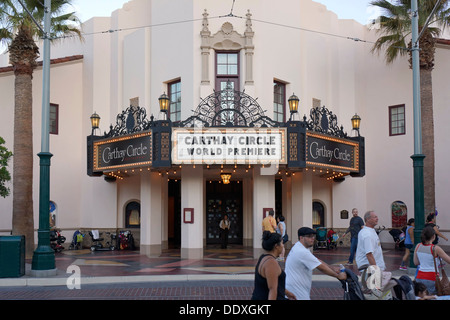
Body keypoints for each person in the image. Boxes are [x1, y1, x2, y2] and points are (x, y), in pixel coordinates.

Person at [285, 227, 346, 300]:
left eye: (313, 236)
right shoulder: (301, 251)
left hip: (294, 290)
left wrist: (332, 268)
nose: (312, 238)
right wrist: (338, 276)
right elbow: (321, 267)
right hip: (296, 293)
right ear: (301, 238)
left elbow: (317, 260)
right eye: (309, 236)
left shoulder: (299, 247)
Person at [251, 231, 296, 300]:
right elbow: (272, 290)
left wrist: (287, 293)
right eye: (281, 243)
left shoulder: (264, 257)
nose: (283, 245)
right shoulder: (271, 263)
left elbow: (273, 283)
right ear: (276, 246)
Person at [414, 226, 450, 295]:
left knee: (422, 297)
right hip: (431, 278)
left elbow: (416, 262)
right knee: (432, 296)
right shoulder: (435, 248)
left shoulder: (418, 246)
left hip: (419, 277)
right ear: (433, 236)